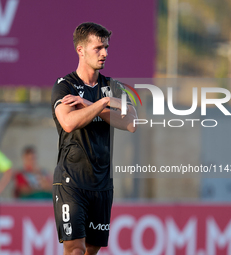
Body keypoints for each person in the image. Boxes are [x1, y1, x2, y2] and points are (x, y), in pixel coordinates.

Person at [51, 22, 137, 255]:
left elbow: (131, 122)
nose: (105, 53)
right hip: (71, 181)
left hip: (102, 184)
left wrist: (92, 104)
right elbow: (68, 122)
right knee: (75, 249)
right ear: (80, 50)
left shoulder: (112, 86)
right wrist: (103, 103)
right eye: (98, 48)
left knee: (91, 250)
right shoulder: (64, 86)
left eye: (106, 47)